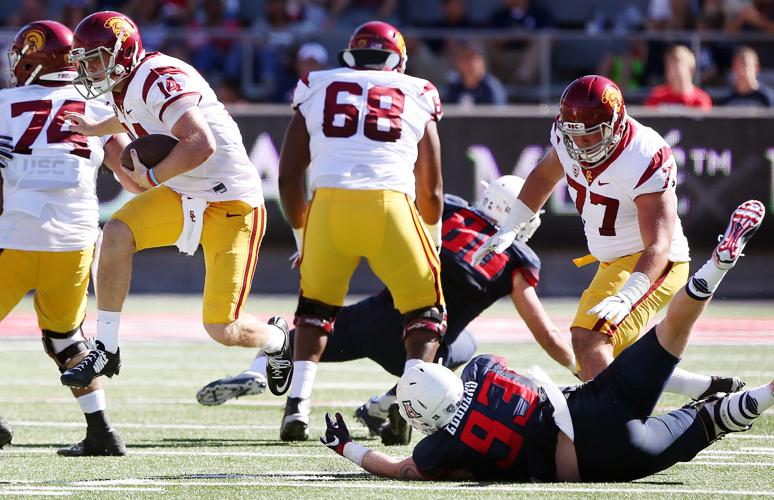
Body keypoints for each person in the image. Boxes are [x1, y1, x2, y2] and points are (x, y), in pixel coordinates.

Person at [320, 200, 772, 482]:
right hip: (593, 403)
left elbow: (404, 469)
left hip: (601, 462)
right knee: (671, 331)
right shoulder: (482, 368)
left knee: (707, 422)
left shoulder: (437, 450)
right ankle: (718, 266)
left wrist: (347, 448)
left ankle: (766, 395)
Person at [197, 177, 576, 445]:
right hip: (425, 347)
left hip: (375, 318)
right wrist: (577, 368)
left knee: (302, 338)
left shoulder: (451, 212)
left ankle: (259, 372)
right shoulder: (516, 259)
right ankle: (382, 405)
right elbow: (545, 333)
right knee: (464, 349)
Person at [57, 11, 293, 397]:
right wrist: (92, 128)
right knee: (116, 233)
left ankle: (276, 339)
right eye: (85, 61)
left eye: (97, 59)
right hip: (186, 193)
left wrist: (149, 179)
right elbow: (131, 116)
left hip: (231, 203)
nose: (90, 69)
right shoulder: (127, 83)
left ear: (123, 51)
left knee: (224, 328)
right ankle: (107, 348)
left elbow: (201, 142)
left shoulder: (156, 77)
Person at [471, 76, 742, 404]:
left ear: (616, 123)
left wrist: (630, 295)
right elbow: (544, 175)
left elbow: (658, 242)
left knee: (589, 339)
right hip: (615, 261)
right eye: (575, 136)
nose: (582, 146)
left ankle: (614, 429)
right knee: (615, 354)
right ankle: (701, 390)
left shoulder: (644, 154)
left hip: (654, 261)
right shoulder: (566, 136)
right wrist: (511, 227)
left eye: (593, 135)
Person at [277, 21, 446, 441]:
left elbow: (287, 179)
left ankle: (298, 405)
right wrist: (434, 238)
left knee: (314, 309)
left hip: (329, 207)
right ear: (398, 60)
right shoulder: (417, 90)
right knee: (425, 314)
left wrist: (302, 236)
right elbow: (433, 189)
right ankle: (408, 403)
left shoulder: (316, 84)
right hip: (391, 205)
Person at [0, 21, 140, 456]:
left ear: (31, 59)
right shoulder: (97, 105)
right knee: (65, 337)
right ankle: (101, 430)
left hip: (17, 235)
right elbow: (132, 178)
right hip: (76, 240)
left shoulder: (3, 104)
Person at [644, 45, 712, 110]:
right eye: (669, 67)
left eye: (677, 67)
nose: (673, 72)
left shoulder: (701, 99)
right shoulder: (657, 96)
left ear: (691, 69)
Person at [444, 40, 508, 106]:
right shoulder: (454, 86)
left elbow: (497, 114)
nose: (468, 63)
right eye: (464, 58)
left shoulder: (491, 89)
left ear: (482, 62)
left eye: (472, 58)